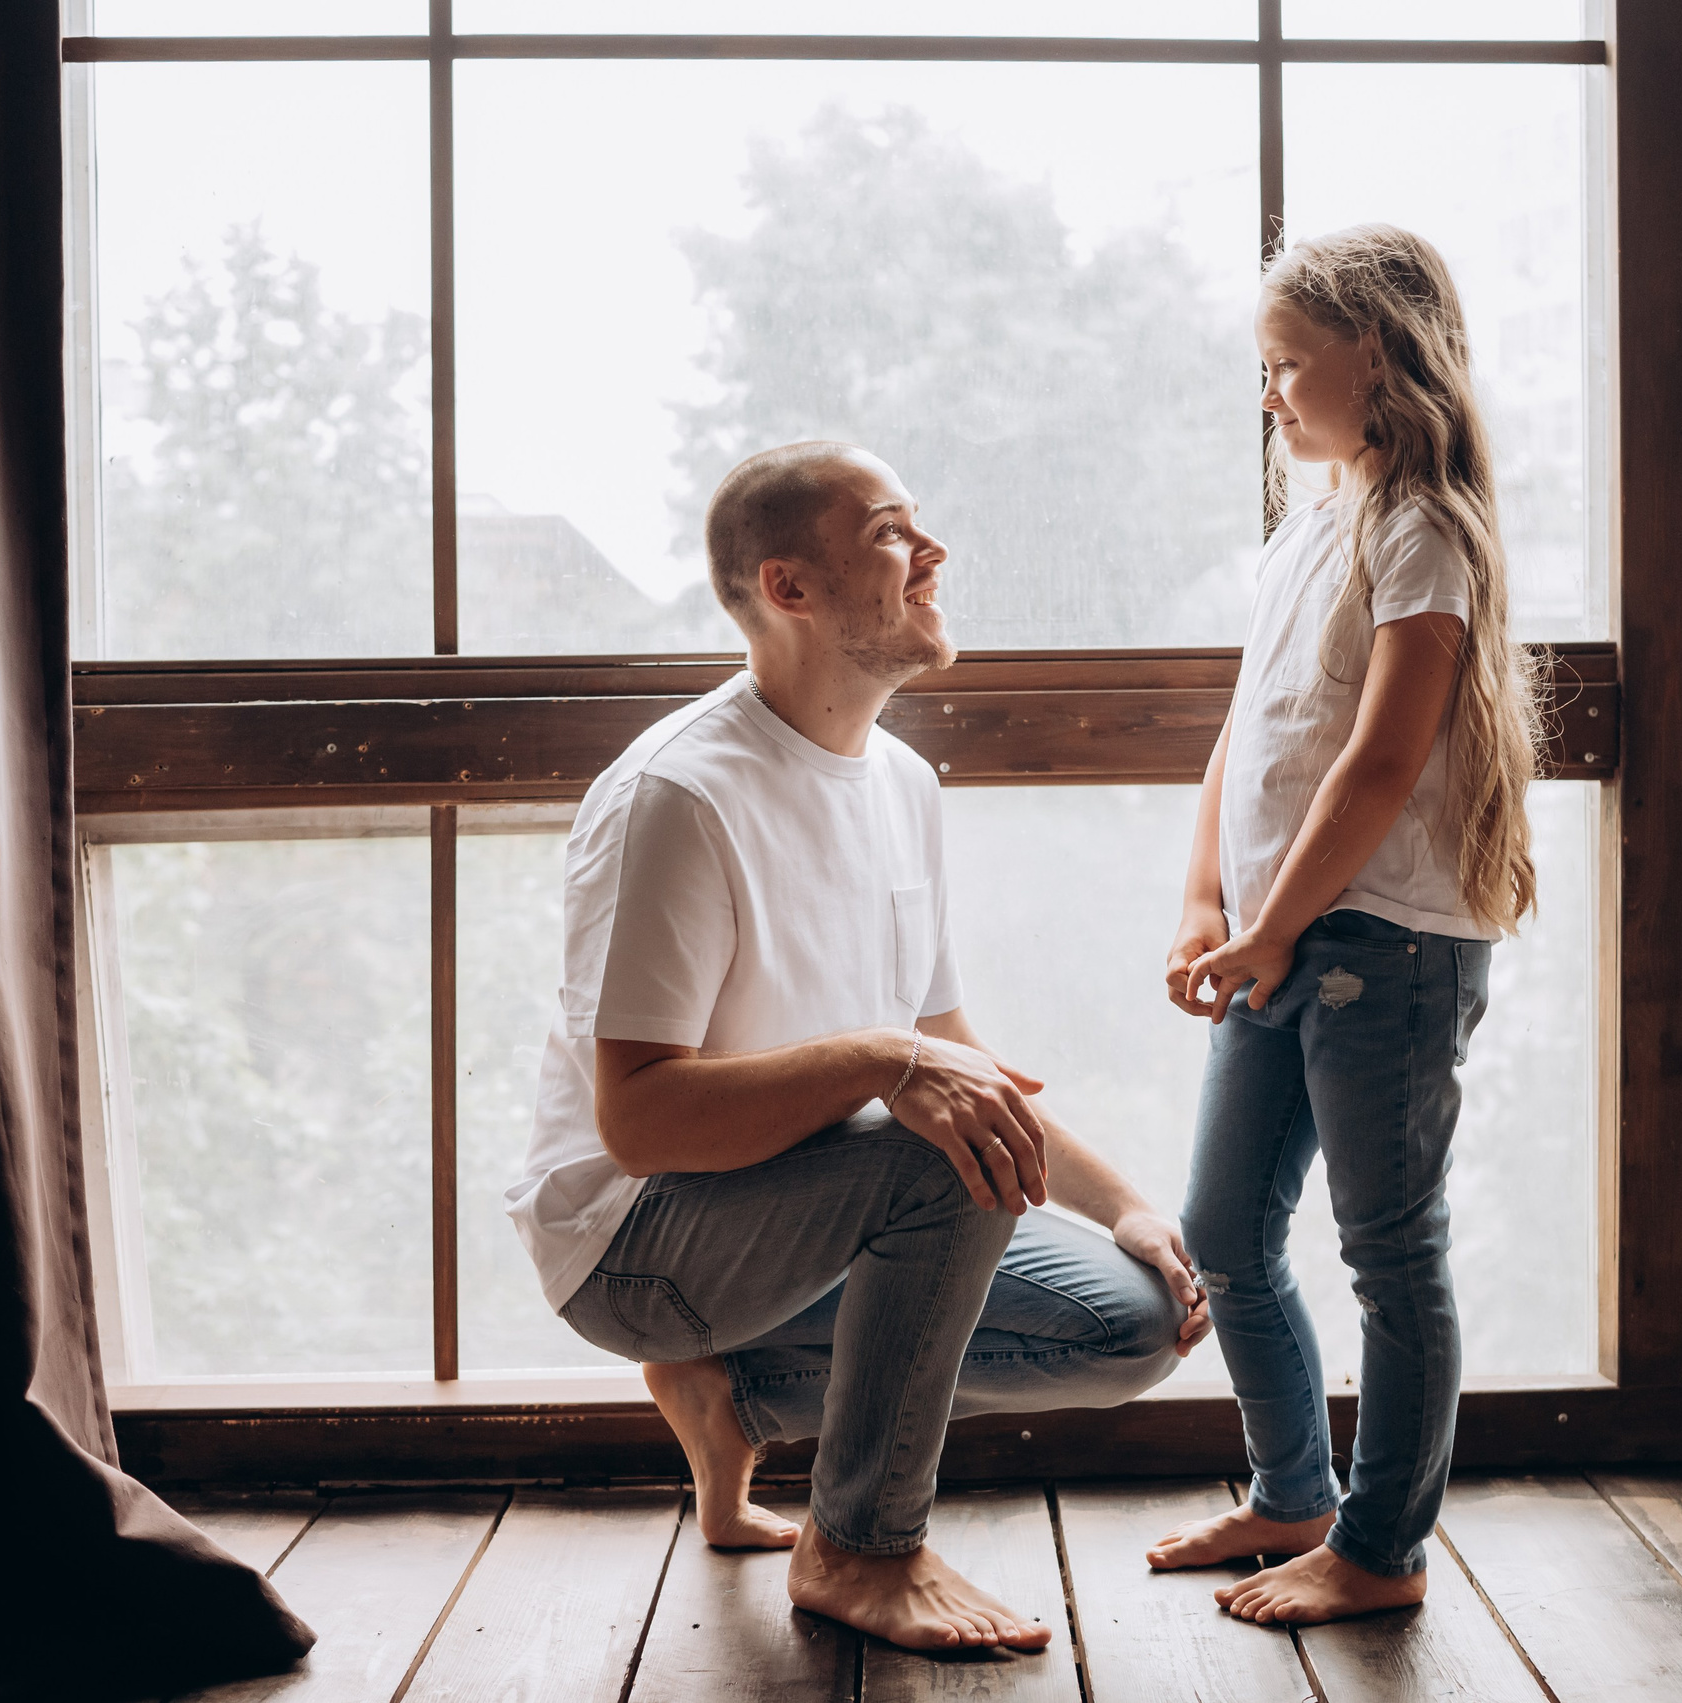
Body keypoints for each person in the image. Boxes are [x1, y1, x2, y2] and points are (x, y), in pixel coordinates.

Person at [505, 441, 1211, 1654]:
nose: (932, 551)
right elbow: (640, 1119)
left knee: (1133, 1320)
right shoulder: (678, 796)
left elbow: (950, 1054)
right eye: (890, 531)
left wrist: (1128, 1205)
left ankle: (733, 1396)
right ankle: (860, 1548)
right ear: (788, 587)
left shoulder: (901, 780)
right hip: (635, 1240)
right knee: (933, 1157)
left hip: (814, 1204)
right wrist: (883, 1061)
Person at [1143, 224, 1543, 1625]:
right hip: (1284, 938)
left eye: (1285, 364)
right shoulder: (1307, 527)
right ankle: (1293, 1491)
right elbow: (1244, 734)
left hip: (1384, 945)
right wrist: (1208, 900)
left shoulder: (1424, 528)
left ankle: (1381, 1550)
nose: (1268, 394)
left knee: (1389, 1248)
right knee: (1223, 1229)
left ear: (1372, 354)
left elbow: (1381, 759)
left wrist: (1274, 928)